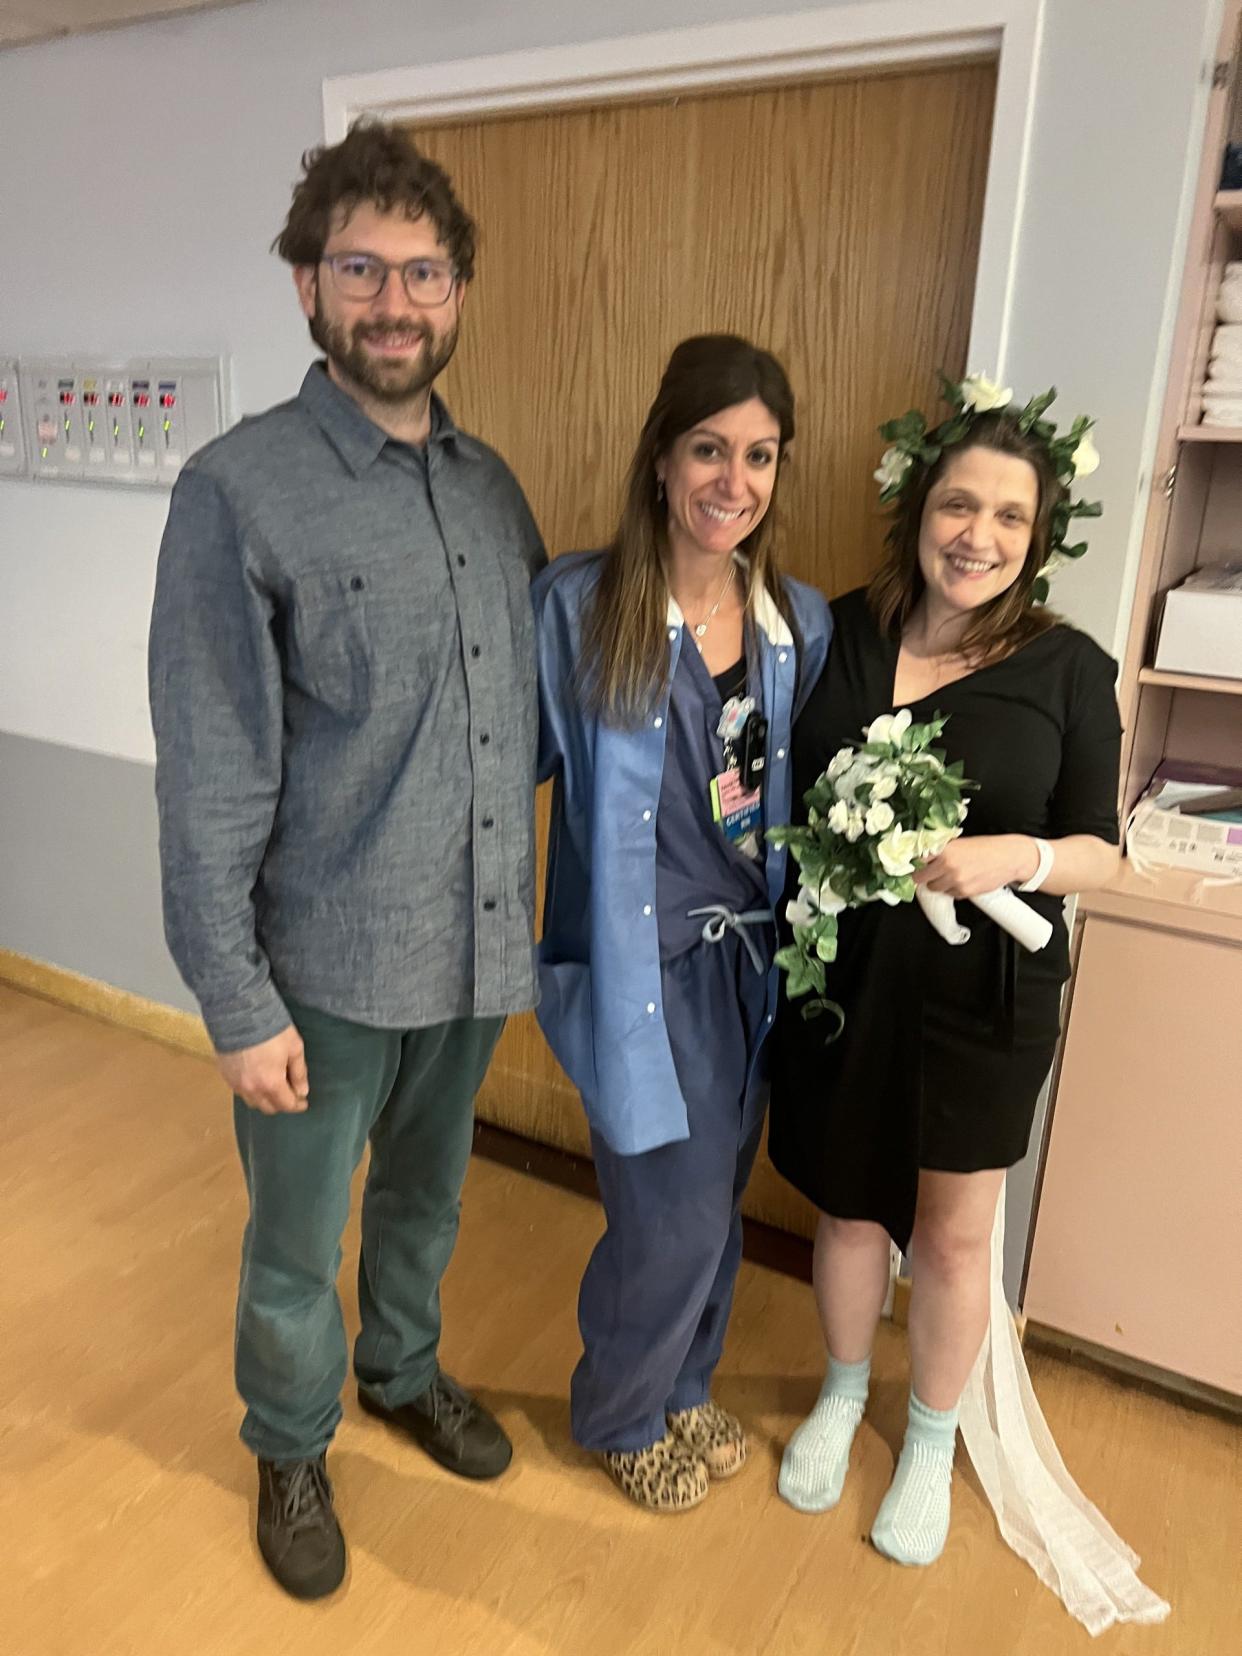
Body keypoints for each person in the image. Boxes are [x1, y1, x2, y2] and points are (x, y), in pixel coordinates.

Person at [148, 123, 544, 1600]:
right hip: (318, 969)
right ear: (309, 289)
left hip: (467, 955)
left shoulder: (492, 489)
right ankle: (290, 1440)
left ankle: (402, 1372)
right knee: (292, 1242)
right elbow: (211, 770)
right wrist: (237, 1004)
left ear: (456, 292)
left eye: (423, 271)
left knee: (427, 1205)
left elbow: (511, 724)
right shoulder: (237, 492)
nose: (395, 300)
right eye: (360, 268)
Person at [768, 378, 1123, 1566]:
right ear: (919, 510)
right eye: (958, 505)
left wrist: (1007, 855)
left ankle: (927, 1439)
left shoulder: (1071, 668)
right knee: (848, 1198)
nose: (978, 536)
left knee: (956, 1235)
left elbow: (1100, 855)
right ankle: (838, 1391)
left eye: (1010, 518)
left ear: (1040, 535)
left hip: (987, 998)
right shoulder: (841, 631)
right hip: (849, 978)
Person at [533, 334, 831, 1512]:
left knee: (719, 1204)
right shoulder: (578, 608)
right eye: (710, 448)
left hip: (748, 975)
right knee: (670, 1212)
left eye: (760, 455)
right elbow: (499, 774)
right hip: (637, 976)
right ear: (662, 458)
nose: (734, 480)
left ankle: (685, 1383)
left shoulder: (789, 624)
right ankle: (617, 1409)